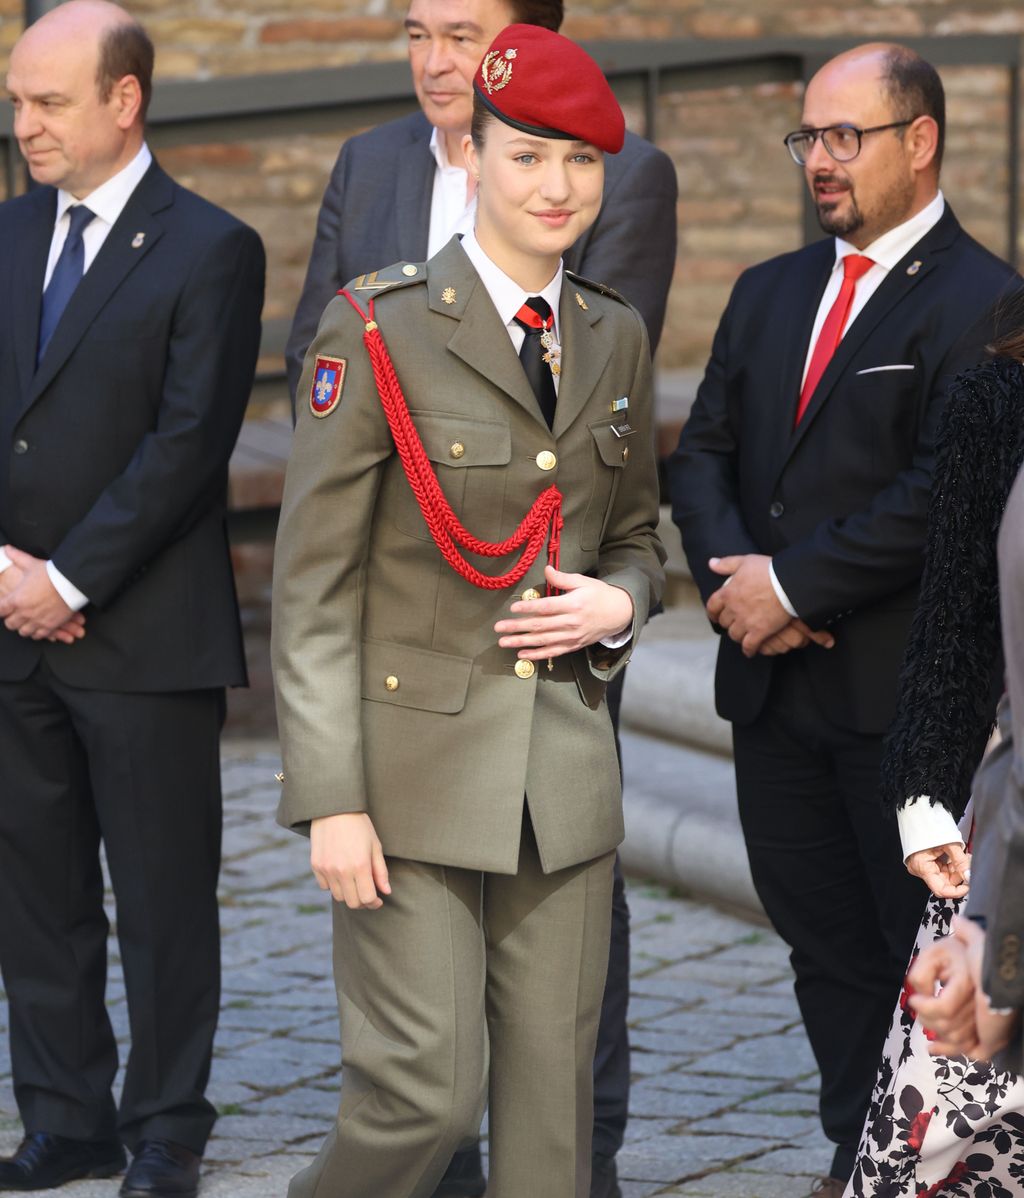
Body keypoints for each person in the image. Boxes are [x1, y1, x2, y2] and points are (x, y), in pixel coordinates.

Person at [285, 5, 677, 1195]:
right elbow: (310, 589)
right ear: (473, 155)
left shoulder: (610, 336)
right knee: (425, 1093)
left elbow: (641, 532)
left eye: (580, 160)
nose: (557, 185)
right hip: (407, 783)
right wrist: (329, 801)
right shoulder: (378, 327)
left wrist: (619, 604)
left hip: (558, 782)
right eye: (528, 154)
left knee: (552, 1127)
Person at [667, 42, 1018, 1197]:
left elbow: (938, 496)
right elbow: (706, 444)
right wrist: (738, 585)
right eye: (806, 139)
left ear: (919, 140)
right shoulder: (767, 289)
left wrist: (795, 587)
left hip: (895, 700)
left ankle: (923, 1162)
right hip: (772, 692)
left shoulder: (988, 303)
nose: (818, 162)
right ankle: (848, 1148)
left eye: (842, 137)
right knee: (816, 941)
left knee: (903, 947)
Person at [0, 4, 265, 1196]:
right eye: (16, 102)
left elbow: (186, 444)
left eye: (48, 103)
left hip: (145, 636)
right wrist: (8, 579)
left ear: (125, 100)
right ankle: (66, 1116)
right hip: (11, 633)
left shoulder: (212, 247)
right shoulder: (4, 237)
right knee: (36, 894)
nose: (24, 126)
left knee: (162, 903)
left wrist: (66, 578)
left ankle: (166, 1127)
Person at [842, 328, 1024, 1196]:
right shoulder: (1003, 397)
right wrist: (925, 797)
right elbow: (957, 618)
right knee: (950, 1142)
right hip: (1008, 854)